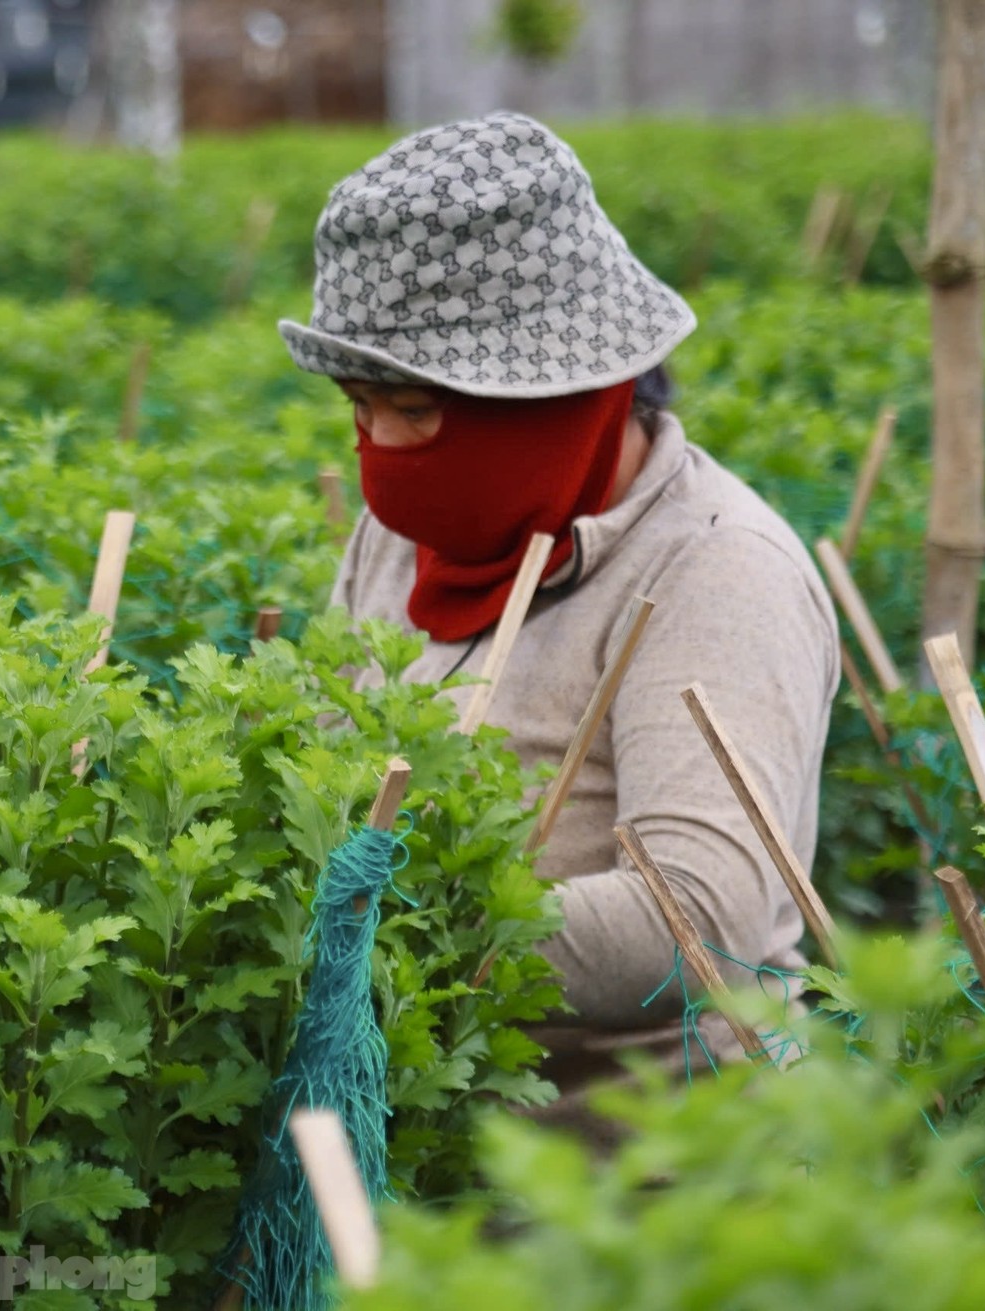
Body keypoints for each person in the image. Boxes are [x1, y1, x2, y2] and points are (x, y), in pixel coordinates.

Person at [281, 112, 839, 1132]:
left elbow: (692, 919)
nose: (380, 447)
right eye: (357, 406)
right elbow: (319, 775)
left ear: (556, 395)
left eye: (414, 407)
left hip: (632, 1178)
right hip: (402, 1127)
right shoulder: (403, 535)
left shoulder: (713, 570)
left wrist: (377, 919)